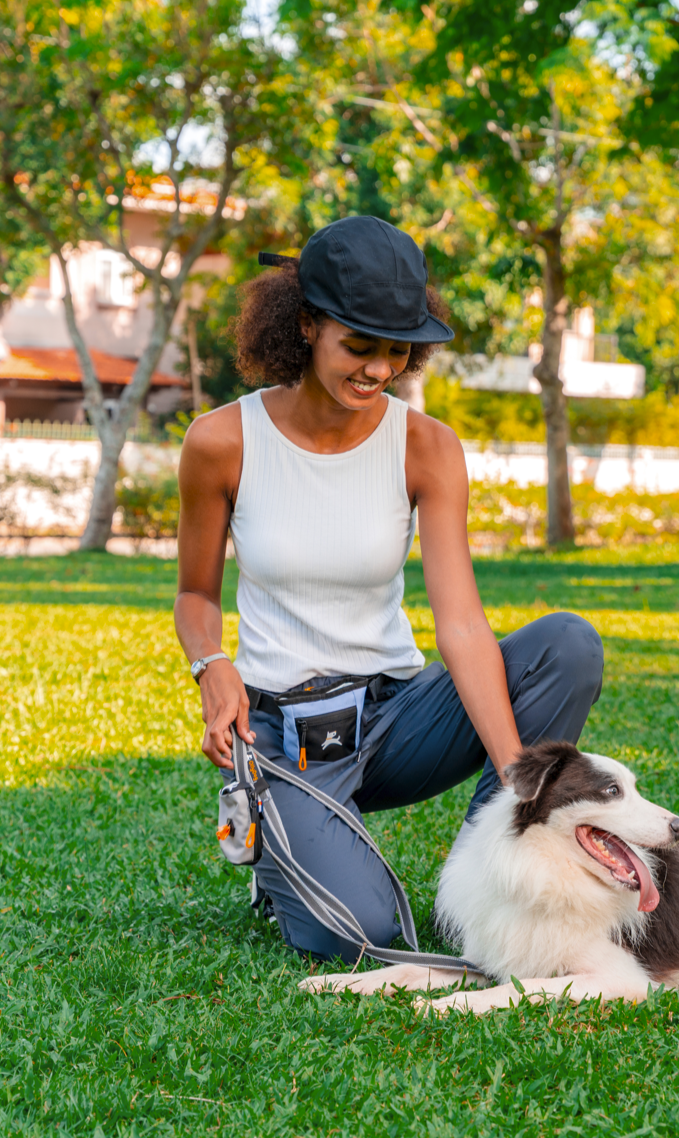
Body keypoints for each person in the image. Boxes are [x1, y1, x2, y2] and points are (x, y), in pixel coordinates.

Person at [174, 216, 603, 962]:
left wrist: (516, 780)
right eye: (359, 347)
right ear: (306, 325)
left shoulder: (426, 447)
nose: (378, 370)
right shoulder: (221, 442)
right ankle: (282, 851)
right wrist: (211, 665)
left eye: (397, 350)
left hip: (397, 715)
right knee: (361, 936)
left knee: (565, 644)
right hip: (288, 731)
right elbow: (195, 596)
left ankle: (483, 882)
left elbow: (463, 625)